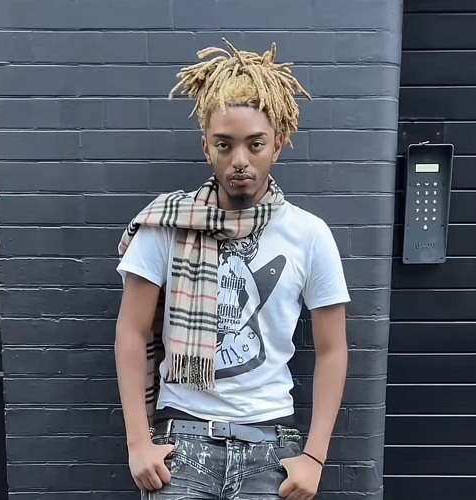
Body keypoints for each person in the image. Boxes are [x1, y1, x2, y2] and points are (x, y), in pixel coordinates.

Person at [115, 39, 350, 500]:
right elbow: (131, 332)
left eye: (255, 144)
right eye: (225, 144)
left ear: (277, 146)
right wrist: (138, 443)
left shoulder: (309, 234)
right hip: (180, 443)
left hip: (271, 445)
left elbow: (332, 350)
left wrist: (315, 457)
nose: (240, 159)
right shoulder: (166, 224)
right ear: (207, 148)